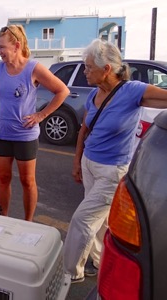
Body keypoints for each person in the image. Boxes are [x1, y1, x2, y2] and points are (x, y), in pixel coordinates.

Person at [64, 38, 167, 283]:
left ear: (106, 68)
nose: (85, 71)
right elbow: (84, 130)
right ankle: (100, 263)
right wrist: (77, 161)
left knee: (83, 219)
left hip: (112, 171)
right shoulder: (94, 94)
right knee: (99, 222)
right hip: (90, 163)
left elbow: (164, 98)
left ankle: (70, 273)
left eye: (89, 67)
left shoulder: (132, 91)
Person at [0, 25, 69, 221]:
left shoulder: (34, 68)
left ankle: (28, 222)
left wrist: (40, 115)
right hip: (1, 134)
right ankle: (3, 217)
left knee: (27, 181)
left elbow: (62, 91)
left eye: (2, 47)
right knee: (4, 179)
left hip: (25, 135)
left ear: (16, 45)